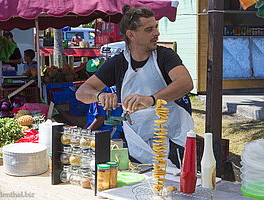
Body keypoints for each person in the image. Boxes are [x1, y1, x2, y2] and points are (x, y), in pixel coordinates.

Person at [76, 6, 194, 169]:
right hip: (137, 143)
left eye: (156, 27)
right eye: (149, 29)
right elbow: (82, 92)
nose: (157, 33)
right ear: (131, 34)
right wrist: (100, 96)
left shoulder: (165, 56)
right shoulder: (118, 63)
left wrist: (151, 100)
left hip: (172, 138)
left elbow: (185, 83)